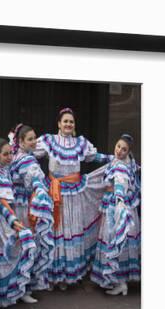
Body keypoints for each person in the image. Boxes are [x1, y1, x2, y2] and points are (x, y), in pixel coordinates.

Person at [33, 107, 112, 289]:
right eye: (65, 121)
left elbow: (95, 157)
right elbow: (29, 152)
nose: (68, 124)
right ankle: (53, 275)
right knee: (55, 231)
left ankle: (67, 275)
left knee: (70, 230)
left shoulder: (81, 143)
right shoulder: (48, 141)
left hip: (74, 193)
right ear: (59, 124)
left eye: (71, 121)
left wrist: (112, 159)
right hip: (54, 191)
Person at [0, 137, 37, 305]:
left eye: (11, 153)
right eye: (6, 154)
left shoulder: (4, 167)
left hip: (1, 216)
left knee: (6, 252)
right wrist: (13, 220)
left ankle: (13, 291)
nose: (10, 157)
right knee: (8, 250)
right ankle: (4, 293)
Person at [91, 134, 141, 295]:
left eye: (124, 149)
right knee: (121, 242)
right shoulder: (128, 162)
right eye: (118, 146)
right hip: (123, 206)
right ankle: (121, 282)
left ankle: (120, 283)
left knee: (114, 240)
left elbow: (120, 184)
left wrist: (119, 199)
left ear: (128, 151)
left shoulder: (120, 167)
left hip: (116, 208)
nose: (119, 151)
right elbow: (104, 158)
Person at [9, 124, 55, 291]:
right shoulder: (26, 159)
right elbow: (35, 177)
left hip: (18, 202)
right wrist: (41, 191)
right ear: (20, 141)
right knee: (26, 244)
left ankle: (20, 285)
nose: (34, 142)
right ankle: (23, 287)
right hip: (22, 205)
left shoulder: (17, 155)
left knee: (21, 244)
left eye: (35, 138)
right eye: (30, 139)